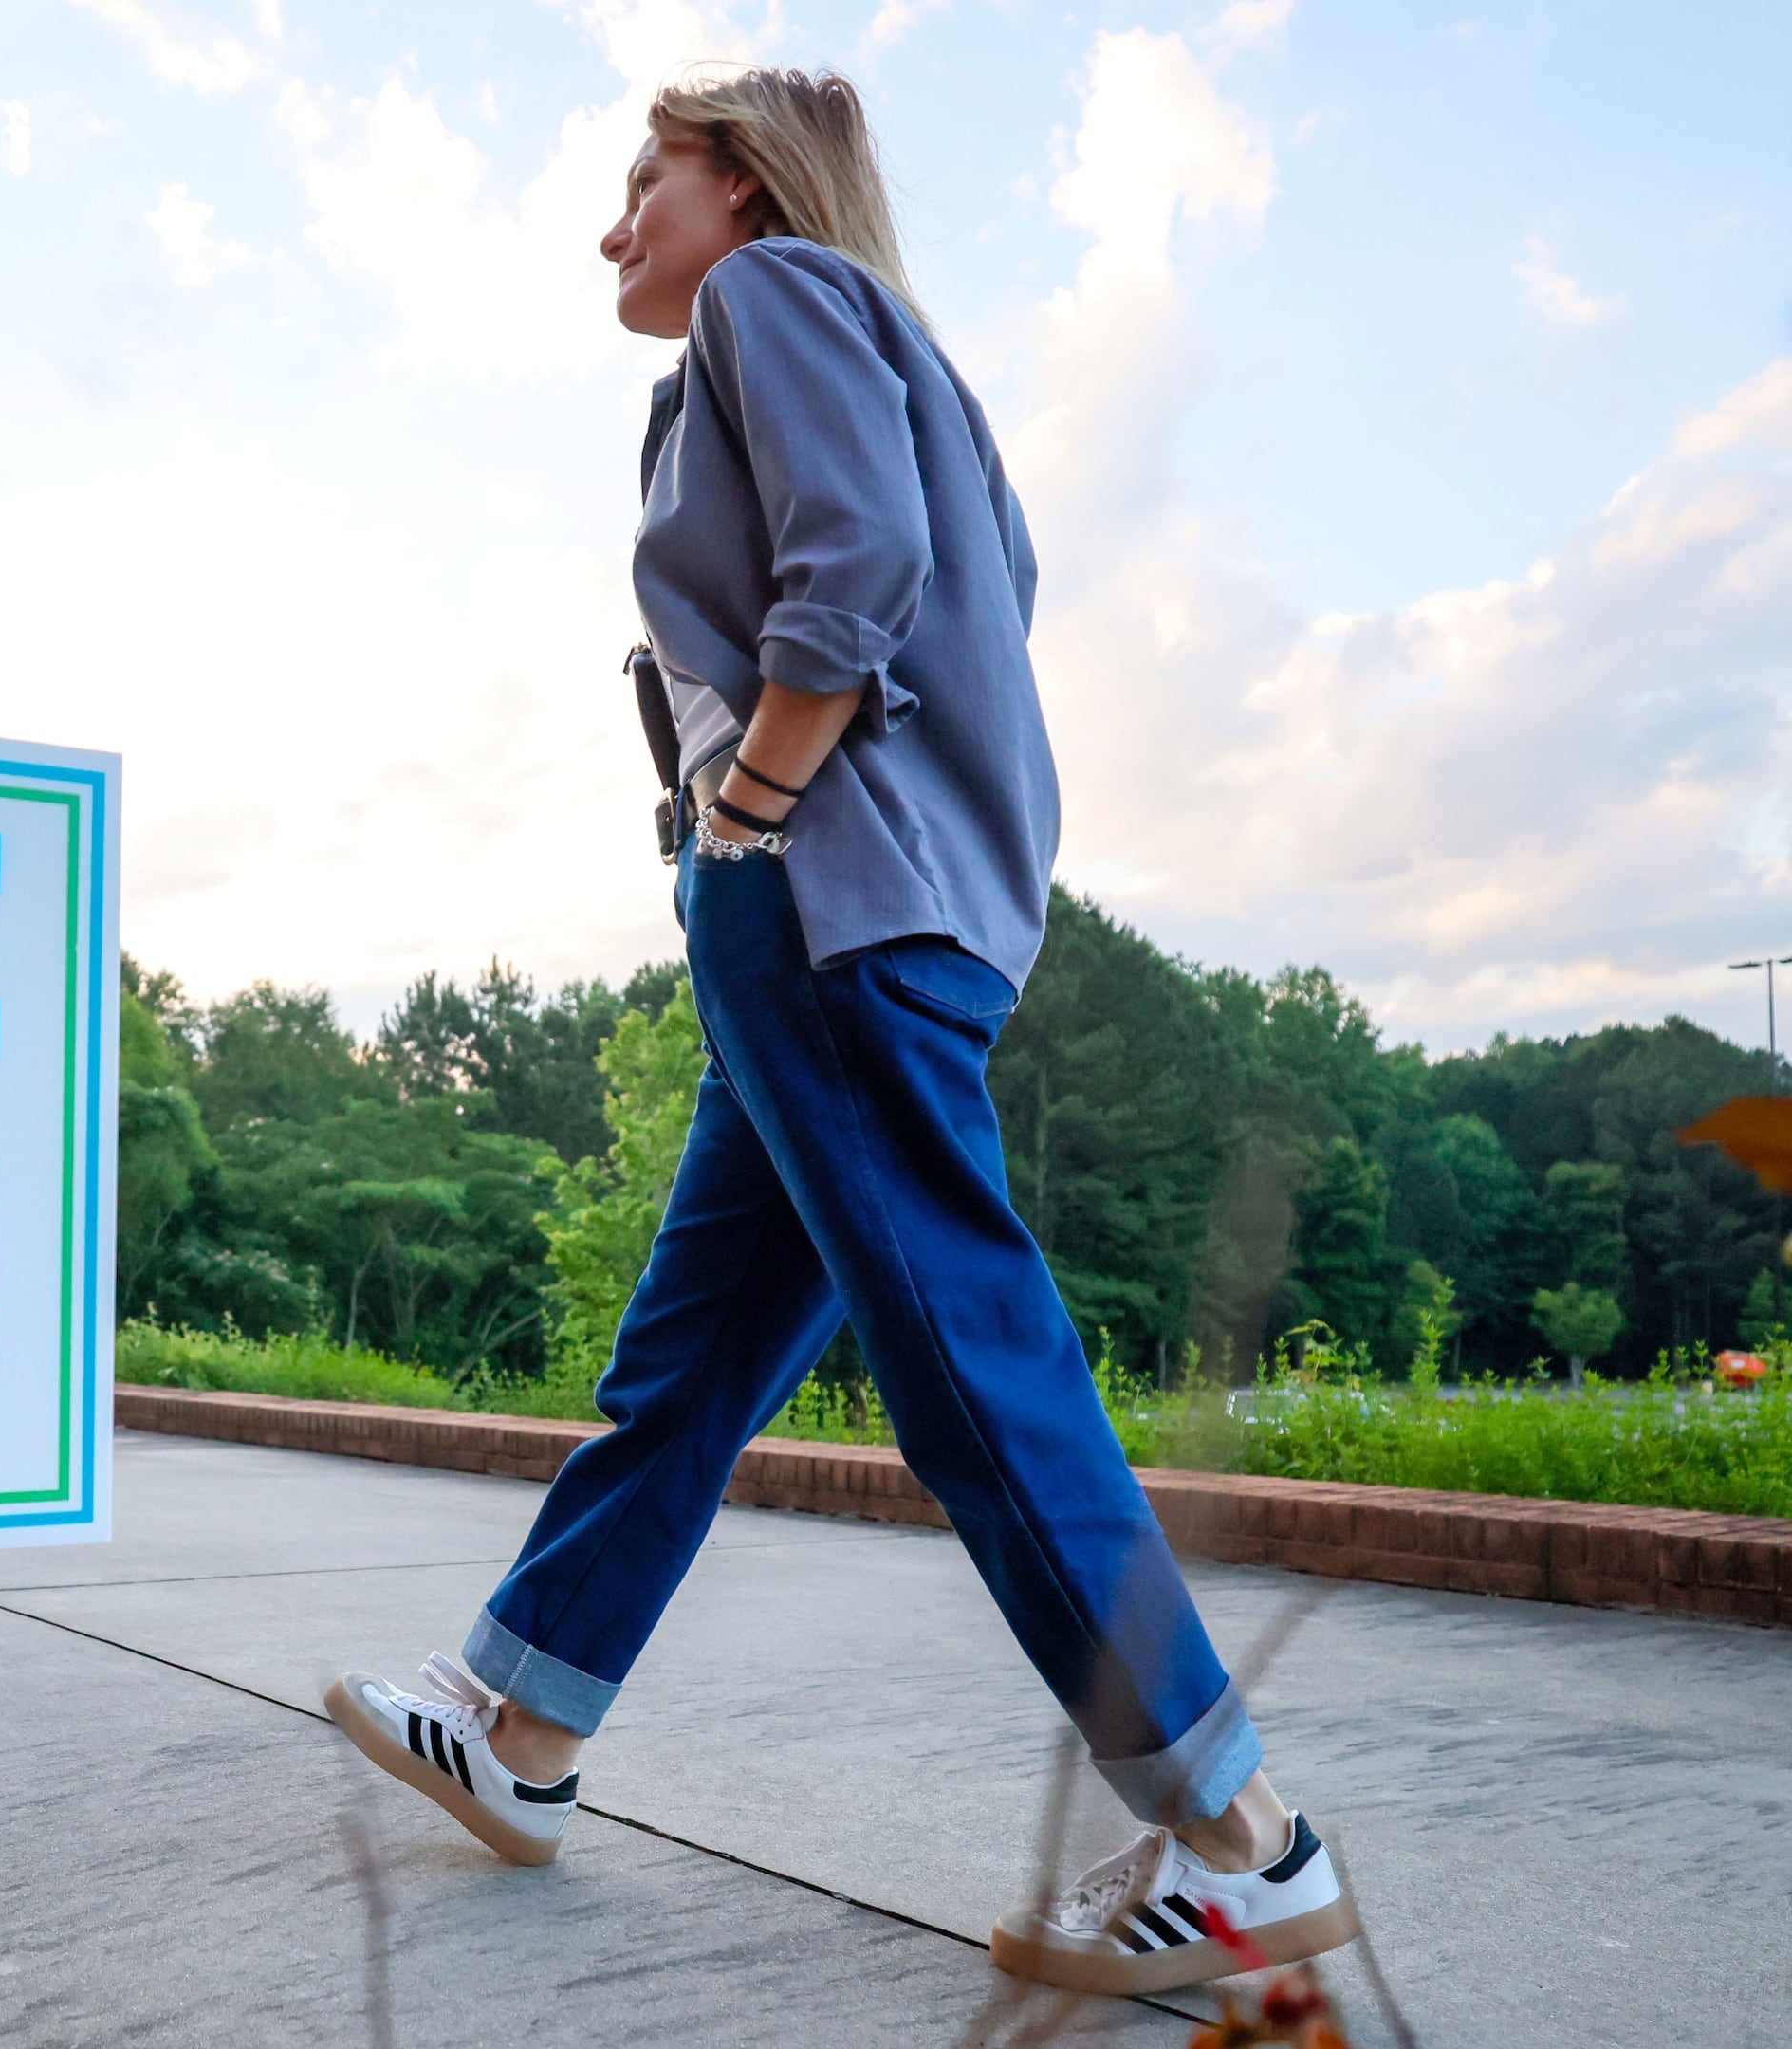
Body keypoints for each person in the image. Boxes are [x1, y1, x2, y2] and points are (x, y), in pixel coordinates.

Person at [323, 65, 1360, 1998]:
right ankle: (523, 1726)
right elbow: (955, 594)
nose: (616, 221)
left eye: (646, 178)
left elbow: (853, 571)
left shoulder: (770, 297)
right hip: (878, 912)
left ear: (745, 183)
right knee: (697, 1352)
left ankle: (1246, 1840)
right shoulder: (919, 367)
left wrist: (753, 806)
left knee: (971, 1367)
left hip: (825, 903)